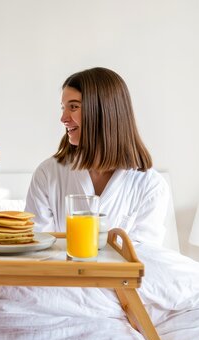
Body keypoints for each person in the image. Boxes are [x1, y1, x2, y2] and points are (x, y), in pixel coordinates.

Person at [25, 67, 169, 245]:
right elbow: (38, 246)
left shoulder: (150, 186)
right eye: (63, 108)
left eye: (74, 107)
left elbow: (143, 259)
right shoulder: (48, 174)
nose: (63, 118)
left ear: (103, 111)